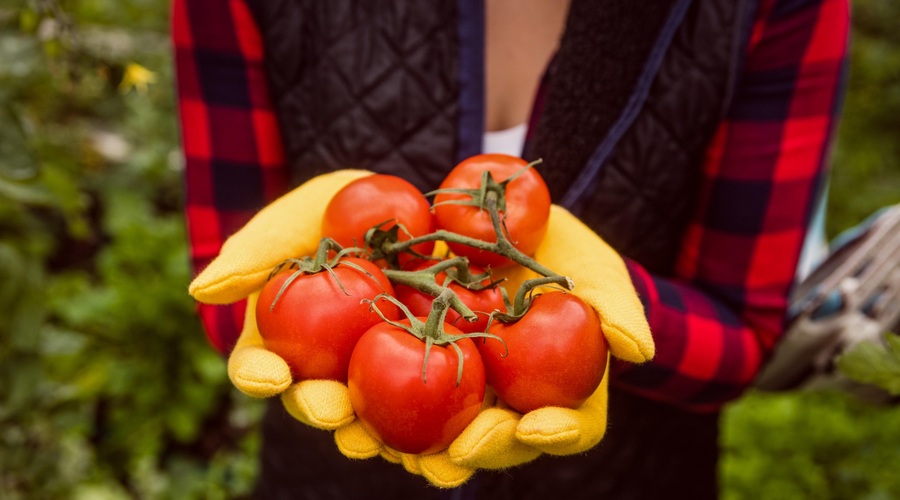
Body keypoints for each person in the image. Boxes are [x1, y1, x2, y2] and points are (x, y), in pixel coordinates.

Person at [172, 0, 850, 498]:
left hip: (630, 480)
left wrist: (606, 304)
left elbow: (739, 337)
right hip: (324, 482)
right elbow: (229, 295)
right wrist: (290, 300)